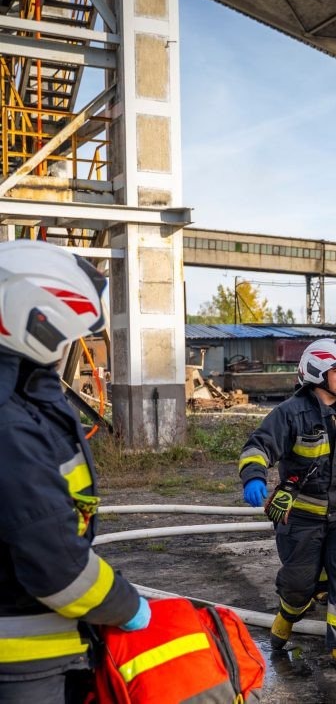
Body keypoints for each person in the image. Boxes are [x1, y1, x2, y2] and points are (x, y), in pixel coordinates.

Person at [0, 240, 150, 702]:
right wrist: (125, 605)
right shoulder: (10, 421)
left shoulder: (22, 398)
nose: (70, 347)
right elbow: (57, 567)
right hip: (23, 656)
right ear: (38, 324)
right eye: (68, 335)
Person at [239, 338, 336, 673]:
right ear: (317, 372)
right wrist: (254, 476)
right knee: (300, 584)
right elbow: (258, 446)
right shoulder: (290, 413)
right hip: (301, 518)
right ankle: (288, 614)